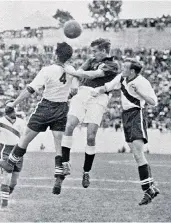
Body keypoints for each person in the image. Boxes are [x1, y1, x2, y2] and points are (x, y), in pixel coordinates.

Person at [0, 42, 77, 195]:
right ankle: (58, 176)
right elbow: (74, 90)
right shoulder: (72, 70)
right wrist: (65, 96)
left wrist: (13, 103)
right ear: (69, 57)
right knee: (58, 145)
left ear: (56, 54)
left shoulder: (47, 70)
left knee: (25, 139)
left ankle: (9, 163)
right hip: (62, 108)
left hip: (46, 107)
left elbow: (31, 89)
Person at [91, 58, 160, 205]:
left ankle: (148, 189)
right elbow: (108, 86)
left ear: (133, 71)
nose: (122, 69)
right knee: (136, 155)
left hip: (137, 114)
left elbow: (154, 102)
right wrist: (96, 91)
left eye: (125, 67)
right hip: (126, 116)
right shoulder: (121, 78)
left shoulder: (142, 82)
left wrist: (140, 92)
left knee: (138, 154)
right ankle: (151, 186)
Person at [60, 38, 119, 193]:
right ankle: (65, 163)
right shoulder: (90, 60)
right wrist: (74, 86)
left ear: (104, 51)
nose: (93, 54)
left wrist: (72, 71)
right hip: (83, 93)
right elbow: (78, 75)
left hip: (99, 97)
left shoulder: (113, 64)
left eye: (95, 51)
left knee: (91, 136)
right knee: (69, 125)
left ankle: (86, 172)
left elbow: (95, 74)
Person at [0, 104, 25, 209]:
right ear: (7, 112)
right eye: (11, 111)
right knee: (7, 174)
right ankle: (4, 204)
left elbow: (24, 135)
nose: (14, 112)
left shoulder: (21, 122)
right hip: (5, 149)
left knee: (14, 181)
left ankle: (2, 197)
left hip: (18, 150)